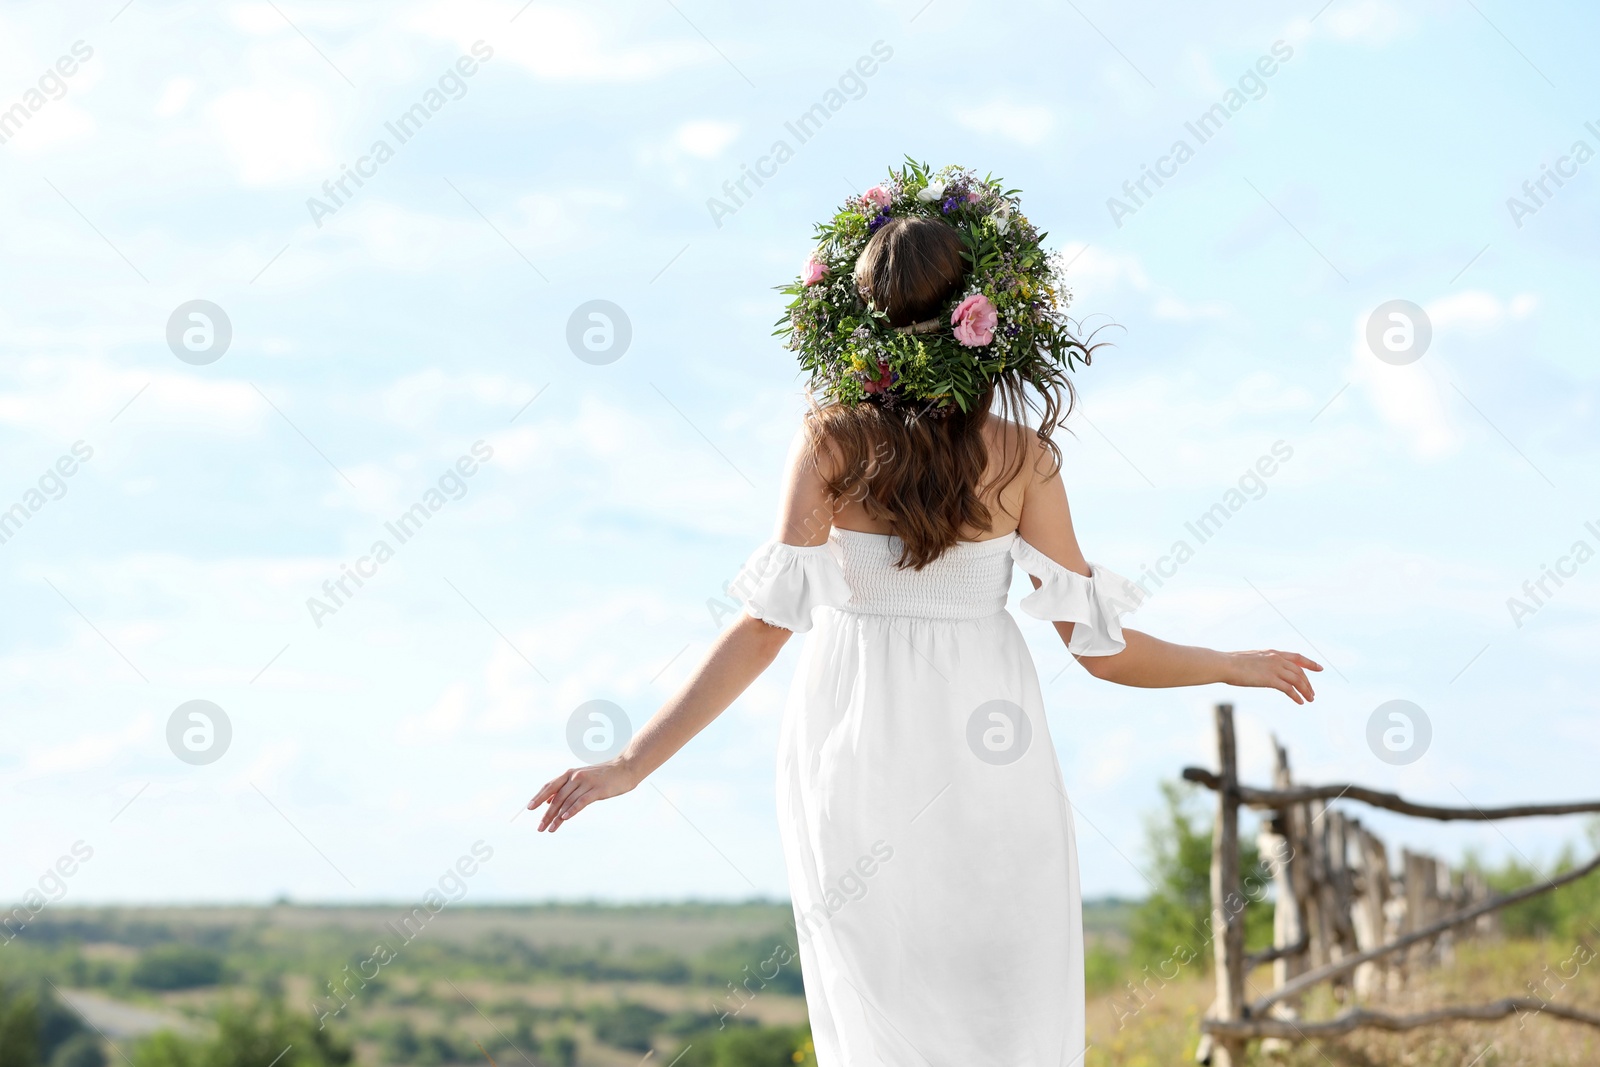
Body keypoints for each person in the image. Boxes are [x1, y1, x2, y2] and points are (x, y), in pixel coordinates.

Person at [529, 164, 1320, 1066]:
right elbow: (1100, 652)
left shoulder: (830, 440)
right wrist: (1229, 661)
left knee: (883, 1022)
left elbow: (761, 630)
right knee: (1001, 1012)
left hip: (852, 749)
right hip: (993, 747)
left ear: (863, 320)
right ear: (981, 316)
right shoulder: (1024, 458)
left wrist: (634, 763)